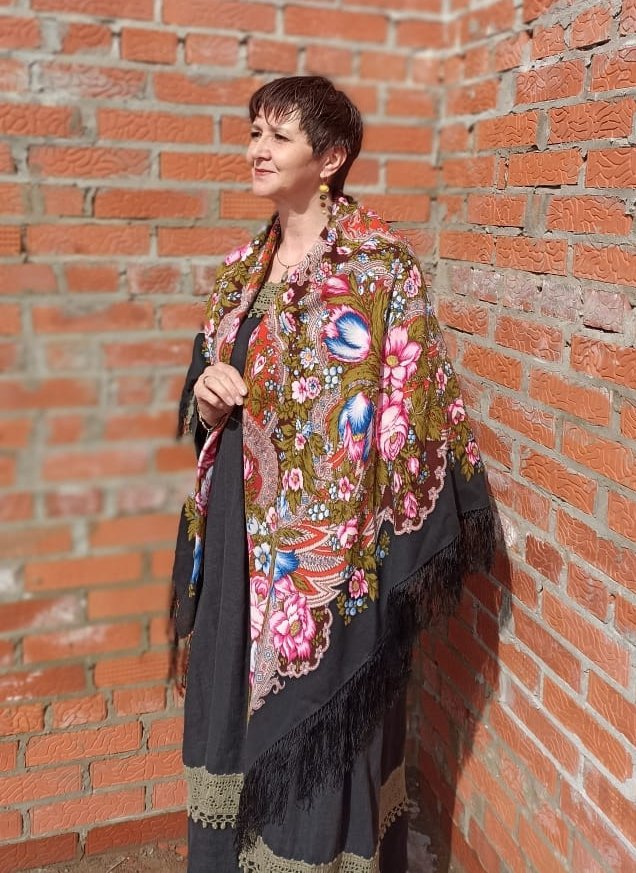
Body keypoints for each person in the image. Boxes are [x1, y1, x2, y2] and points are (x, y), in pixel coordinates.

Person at [171, 75, 495, 873]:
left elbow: (418, 410)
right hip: (238, 541)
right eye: (254, 131)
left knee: (326, 730)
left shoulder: (382, 270)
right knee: (231, 710)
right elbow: (206, 399)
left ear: (331, 156)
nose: (258, 149)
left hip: (333, 559)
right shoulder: (239, 273)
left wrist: (377, 544)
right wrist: (207, 397)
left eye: (278, 136)